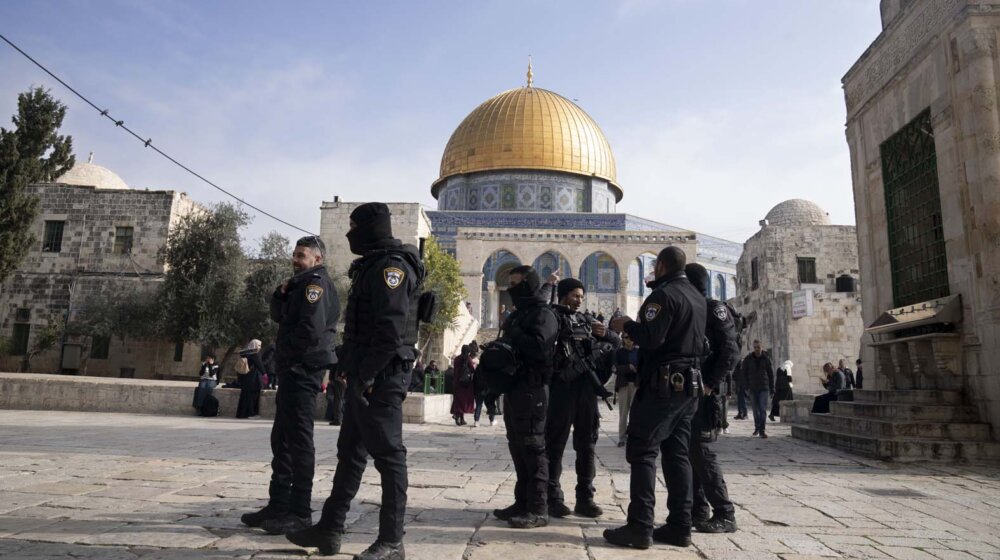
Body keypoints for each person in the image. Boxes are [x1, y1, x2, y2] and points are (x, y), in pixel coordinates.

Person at [287, 203, 424, 560]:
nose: (348, 235)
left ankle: (392, 541)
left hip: (382, 377)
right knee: (350, 453)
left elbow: (391, 331)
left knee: (389, 457)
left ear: (370, 229)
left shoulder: (391, 268)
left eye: (353, 228)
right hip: (365, 375)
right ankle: (330, 529)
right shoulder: (374, 265)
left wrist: (367, 375)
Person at [603, 246, 706, 550]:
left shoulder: (663, 296)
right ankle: (679, 526)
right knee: (677, 455)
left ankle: (639, 526)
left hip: (662, 387)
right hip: (688, 388)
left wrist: (627, 326)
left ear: (660, 265)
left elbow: (652, 338)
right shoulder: (698, 298)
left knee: (643, 450)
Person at [241, 236, 340, 536]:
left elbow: (309, 330)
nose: (296, 260)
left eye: (302, 255)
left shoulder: (315, 286)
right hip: (293, 369)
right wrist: (279, 293)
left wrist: (282, 357)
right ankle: (278, 505)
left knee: (298, 440)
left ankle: (300, 512)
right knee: (282, 439)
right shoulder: (298, 285)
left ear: (317, 259)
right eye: (295, 254)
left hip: (302, 369)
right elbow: (279, 316)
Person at [546, 277, 621, 520]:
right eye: (575, 295)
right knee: (554, 445)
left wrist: (607, 333)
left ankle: (585, 497)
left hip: (586, 391)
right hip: (561, 390)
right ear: (564, 294)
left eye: (581, 296)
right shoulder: (552, 318)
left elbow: (617, 345)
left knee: (587, 445)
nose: (579, 300)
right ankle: (552, 497)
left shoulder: (587, 321)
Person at [491, 265, 559, 529]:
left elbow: (540, 351)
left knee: (532, 446)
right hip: (515, 388)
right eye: (510, 284)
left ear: (529, 284)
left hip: (533, 389)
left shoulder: (543, 314)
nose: (512, 290)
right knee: (517, 445)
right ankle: (522, 501)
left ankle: (538, 508)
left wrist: (516, 335)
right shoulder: (520, 315)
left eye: (518, 283)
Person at [683, 263, 738, 534]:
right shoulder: (694, 309)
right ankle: (699, 511)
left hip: (706, 394)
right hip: (692, 392)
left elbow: (730, 351)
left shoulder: (714, 308)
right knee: (691, 450)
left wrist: (711, 384)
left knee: (702, 452)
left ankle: (725, 513)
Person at [741, 340, 774, 438]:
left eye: (758, 347)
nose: (757, 349)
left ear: (761, 347)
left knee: (762, 409)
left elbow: (770, 374)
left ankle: (762, 430)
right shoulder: (748, 359)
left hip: (764, 387)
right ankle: (757, 427)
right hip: (752, 388)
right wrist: (746, 387)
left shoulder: (766, 359)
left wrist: (772, 389)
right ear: (753, 347)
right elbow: (743, 373)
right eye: (755, 347)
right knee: (755, 410)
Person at [614, 336, 639, 447]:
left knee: (635, 413)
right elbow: (615, 368)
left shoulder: (638, 352)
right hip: (624, 385)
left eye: (631, 337)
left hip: (635, 384)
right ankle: (622, 437)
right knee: (623, 412)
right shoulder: (619, 352)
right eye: (626, 337)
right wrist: (628, 367)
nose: (629, 340)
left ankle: (633, 436)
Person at [236, 340, 265, 419]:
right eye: (258, 345)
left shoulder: (244, 353)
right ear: (254, 345)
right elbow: (260, 366)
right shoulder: (254, 354)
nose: (260, 347)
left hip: (245, 378)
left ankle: (242, 413)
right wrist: (264, 373)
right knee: (253, 396)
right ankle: (251, 413)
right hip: (254, 378)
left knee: (245, 396)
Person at [451, 345, 476, 425]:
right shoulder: (468, 359)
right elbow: (472, 369)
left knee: (458, 400)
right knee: (464, 401)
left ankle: (460, 417)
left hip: (457, 381)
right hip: (466, 383)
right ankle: (459, 417)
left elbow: (454, 369)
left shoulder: (457, 358)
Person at [472, 347, 497, 427]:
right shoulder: (491, 367)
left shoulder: (478, 368)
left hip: (479, 389)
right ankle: (492, 420)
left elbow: (474, 379)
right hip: (488, 389)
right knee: (490, 405)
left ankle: (476, 421)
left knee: (479, 405)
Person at [733, 355, 749, 421]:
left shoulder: (745, 369)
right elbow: (734, 376)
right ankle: (740, 413)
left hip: (743, 386)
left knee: (743, 400)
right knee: (739, 400)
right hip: (739, 385)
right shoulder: (737, 369)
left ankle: (745, 414)